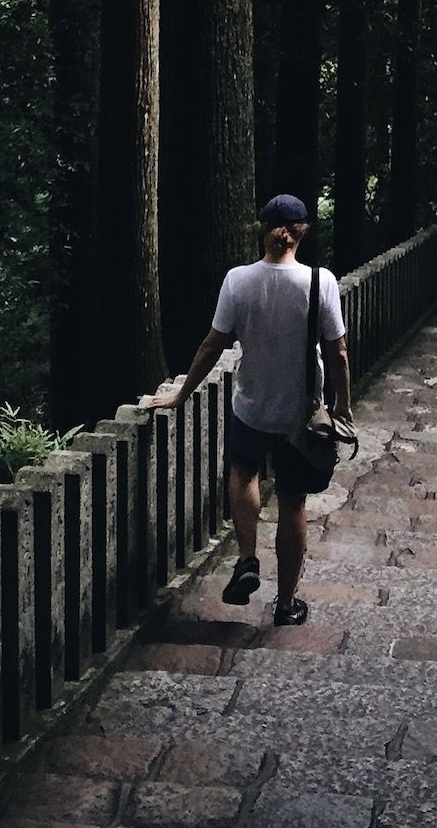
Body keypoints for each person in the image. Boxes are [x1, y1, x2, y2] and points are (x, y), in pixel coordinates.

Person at [143, 193, 351, 628]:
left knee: (244, 475)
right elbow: (338, 352)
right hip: (302, 414)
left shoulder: (238, 280)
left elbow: (212, 344)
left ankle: (247, 558)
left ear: (261, 230)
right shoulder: (320, 282)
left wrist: (182, 394)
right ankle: (286, 604)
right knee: (293, 504)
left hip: (251, 405)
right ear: (302, 233)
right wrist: (342, 406)